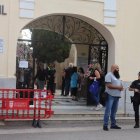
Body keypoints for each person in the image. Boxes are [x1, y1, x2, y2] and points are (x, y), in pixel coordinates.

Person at [103, 64, 124, 131]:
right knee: (108, 111)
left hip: (117, 96)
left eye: (118, 68)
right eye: (117, 68)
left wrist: (121, 87)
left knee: (114, 111)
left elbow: (119, 84)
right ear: (113, 68)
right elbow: (108, 85)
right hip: (110, 95)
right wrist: (118, 87)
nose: (118, 69)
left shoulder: (117, 76)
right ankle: (105, 125)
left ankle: (113, 124)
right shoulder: (109, 75)